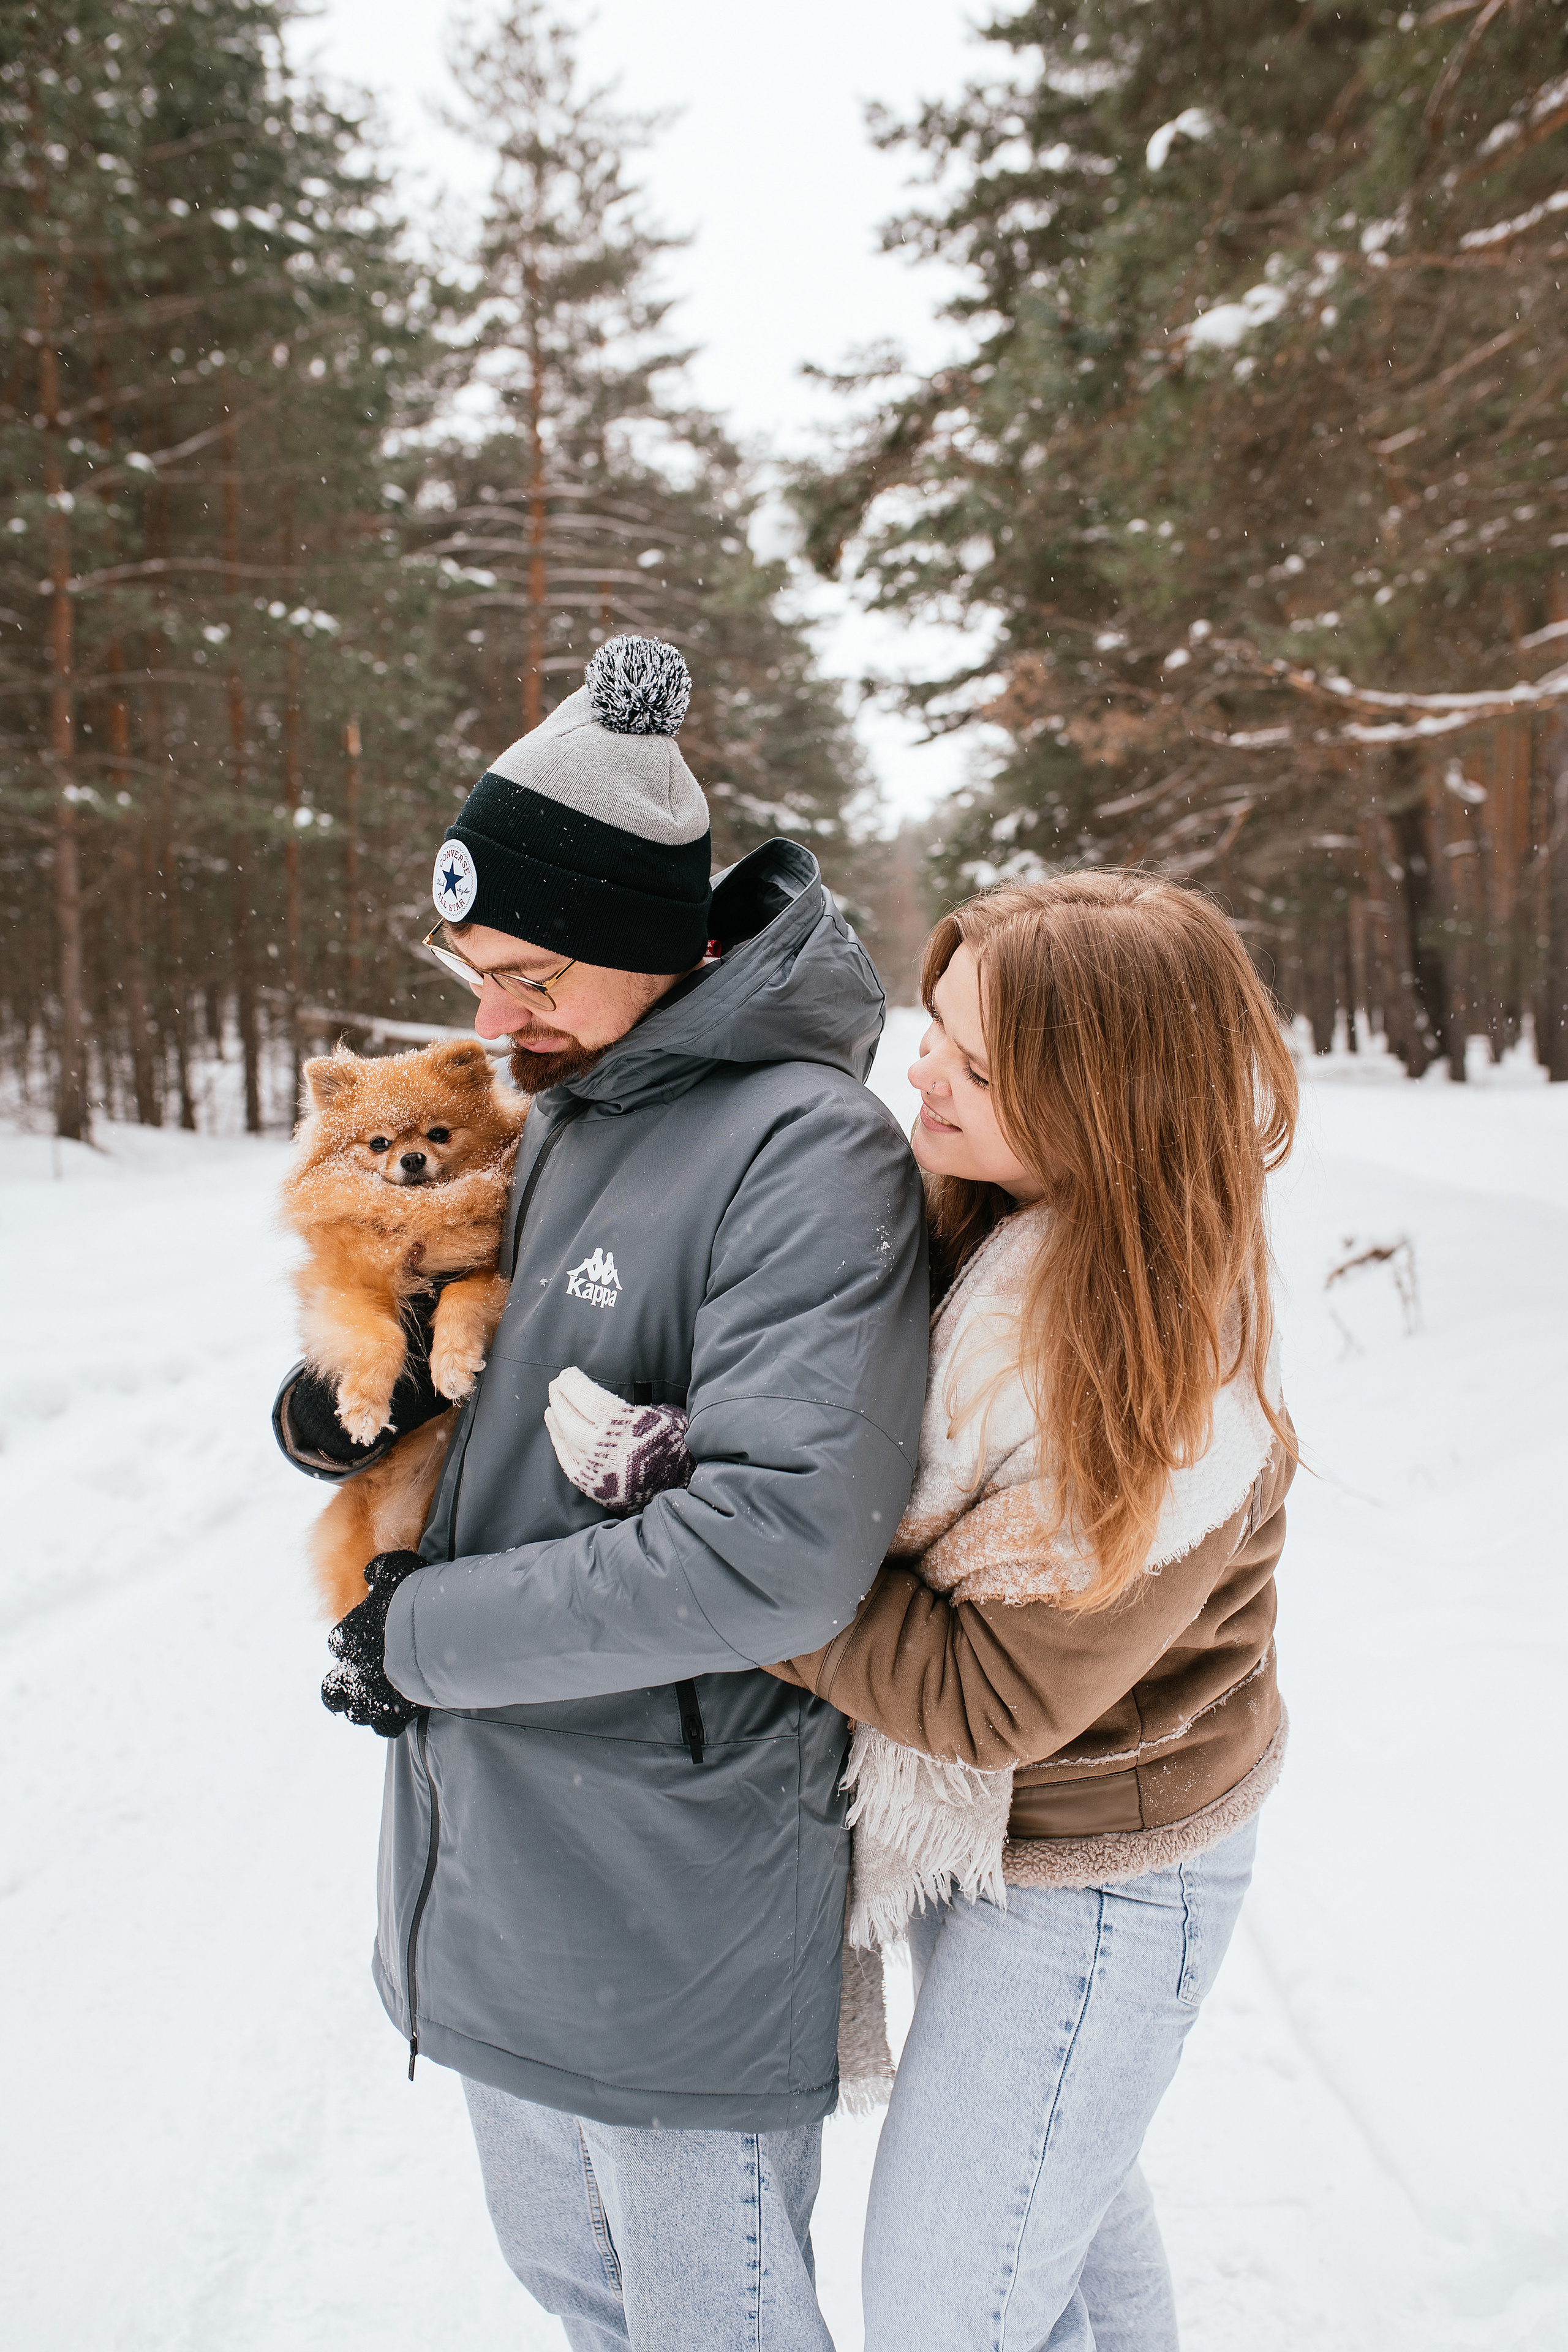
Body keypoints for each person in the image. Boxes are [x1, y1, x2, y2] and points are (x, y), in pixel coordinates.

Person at [273, 636, 928, 2351]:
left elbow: (779, 1550)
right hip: (496, 1854)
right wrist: (367, 1410)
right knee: (583, 2300)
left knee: (711, 2323)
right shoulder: (573, 1101)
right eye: (468, 965)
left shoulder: (803, 1147)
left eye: (530, 971)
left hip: (667, 1885)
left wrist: (425, 1635)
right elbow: (526, 1384)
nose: (491, 1022)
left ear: (653, 944)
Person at [769, 872, 1300, 2351]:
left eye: (976, 1062)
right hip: (1014, 1831)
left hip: (1103, 1872)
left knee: (951, 2307)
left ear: (1100, 1103)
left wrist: (752, 1581)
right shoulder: (1006, 1225)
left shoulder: (1161, 1376)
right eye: (930, 1025)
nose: (917, 1066)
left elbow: (993, 1698)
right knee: (1045, 2233)